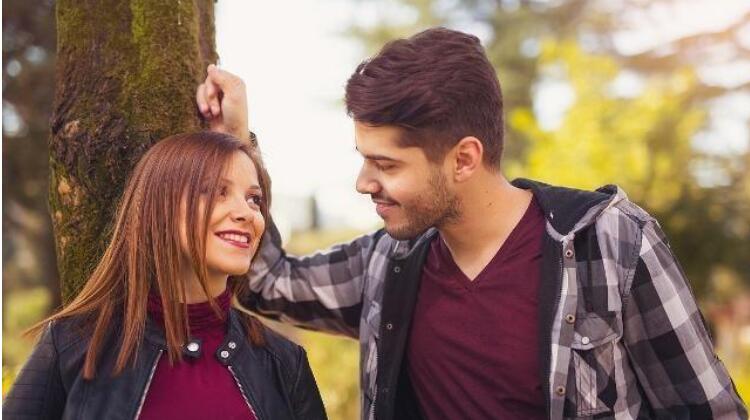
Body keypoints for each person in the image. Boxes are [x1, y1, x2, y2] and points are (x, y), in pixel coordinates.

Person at [196, 28, 747, 420]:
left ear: (463, 159)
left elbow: (707, 410)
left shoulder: (614, 244)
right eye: (364, 158)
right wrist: (239, 143)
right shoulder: (390, 260)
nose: (364, 182)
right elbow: (268, 282)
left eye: (386, 164)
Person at [2, 132, 327, 420]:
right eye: (216, 191)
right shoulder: (73, 343)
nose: (246, 213)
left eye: (254, 199)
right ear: (162, 207)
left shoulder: (284, 361)